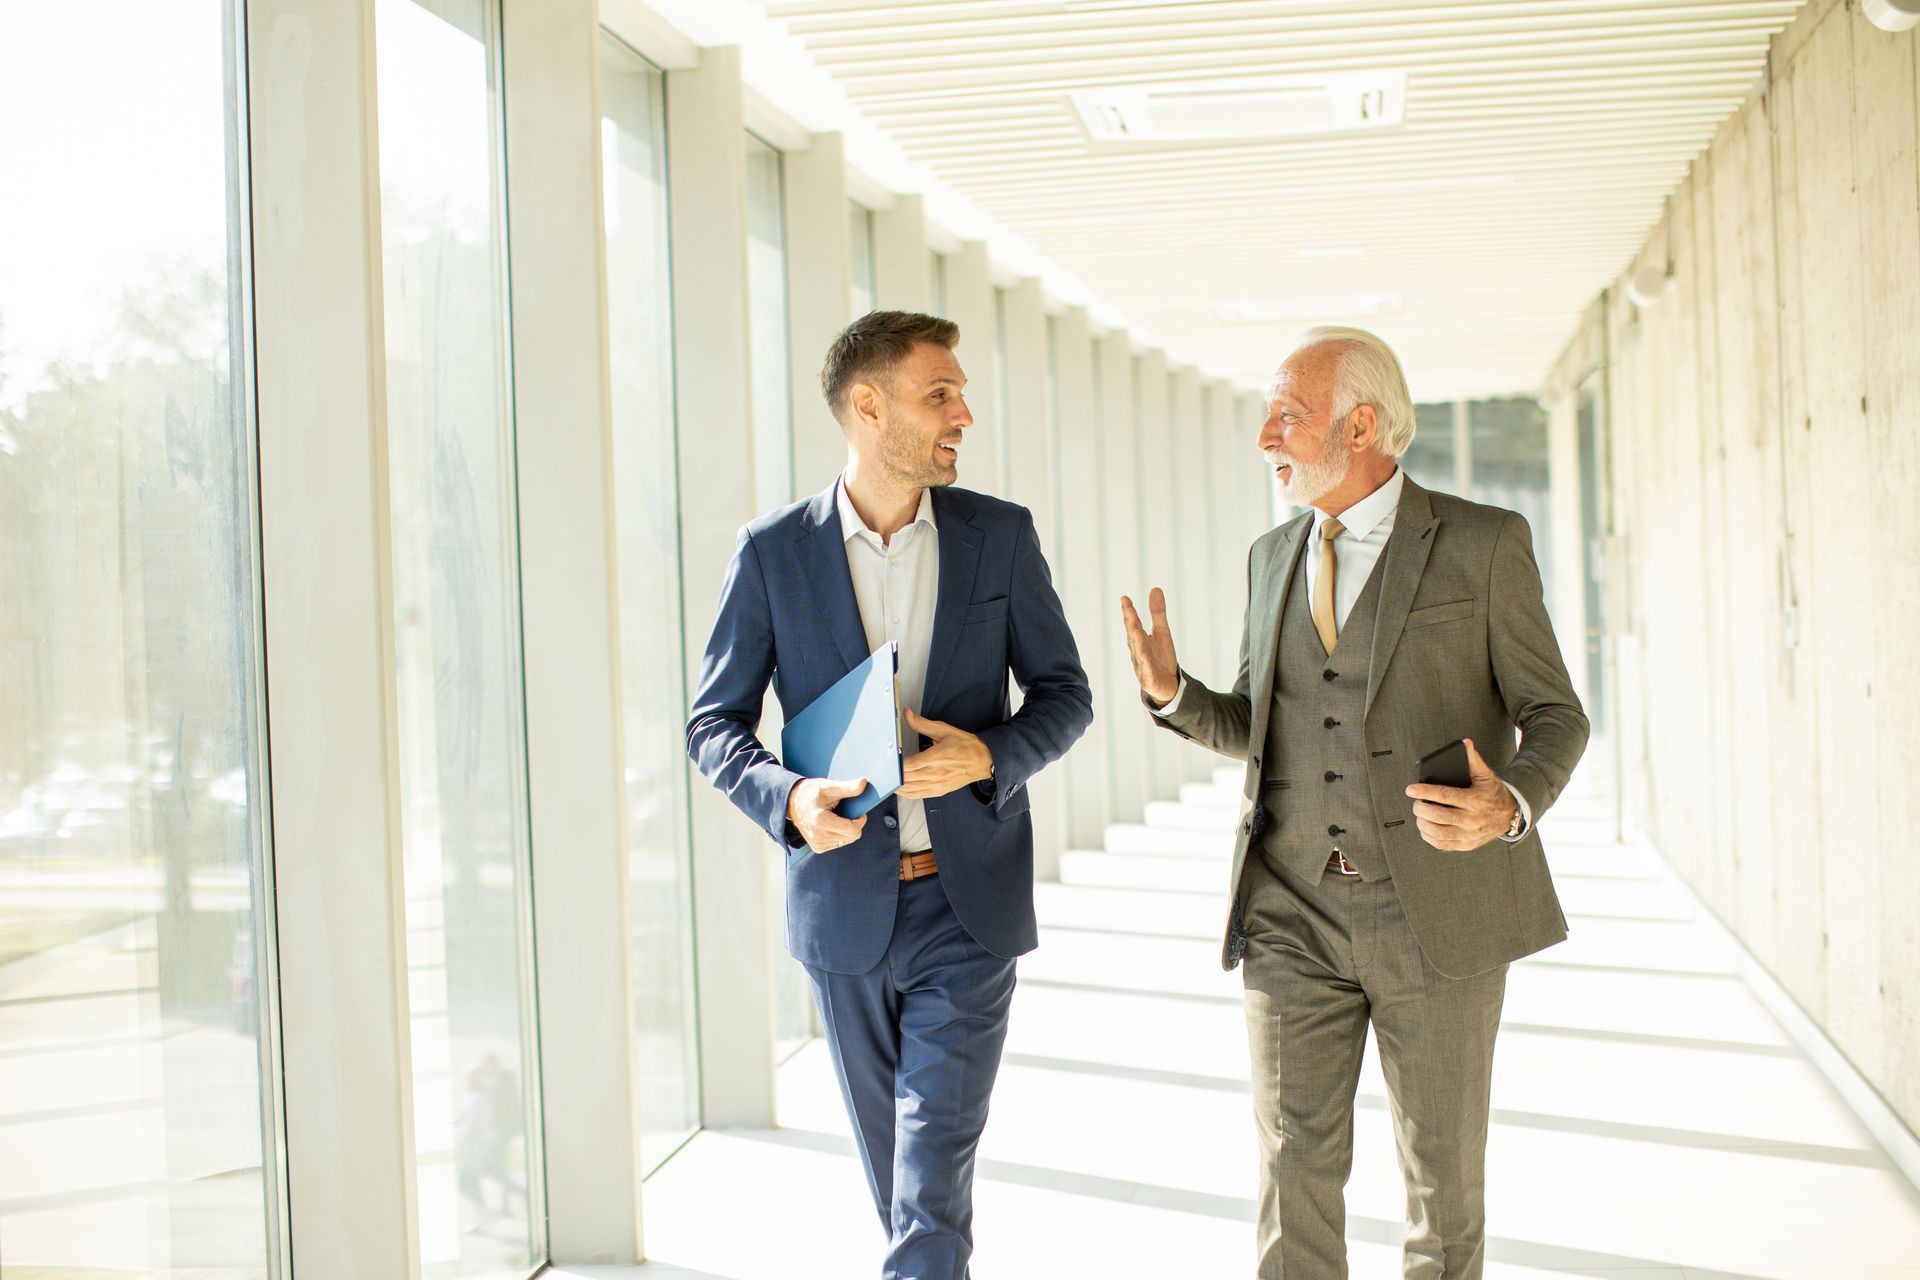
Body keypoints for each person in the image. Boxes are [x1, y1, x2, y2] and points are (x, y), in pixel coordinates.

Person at [1120, 326, 1588, 1279]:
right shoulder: (1269, 557)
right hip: (1291, 911)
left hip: (1436, 913)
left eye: (1285, 417)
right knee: (1292, 1173)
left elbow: (1557, 715)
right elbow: (1260, 723)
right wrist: (1175, 695)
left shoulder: (1484, 544)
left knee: (1442, 1187)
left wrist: (1513, 804)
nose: (1265, 438)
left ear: (1361, 424)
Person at [687, 310, 1093, 1280]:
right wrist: (789, 797)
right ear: (868, 407)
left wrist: (987, 755)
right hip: (845, 912)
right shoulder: (774, 552)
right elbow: (715, 722)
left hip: (968, 905)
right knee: (902, 1181)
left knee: (929, 1176)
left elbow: (1065, 695)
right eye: (938, 393)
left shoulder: (999, 536)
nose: (964, 412)